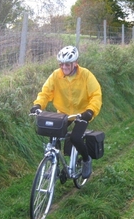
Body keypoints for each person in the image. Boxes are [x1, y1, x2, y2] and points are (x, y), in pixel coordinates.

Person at [30, 45, 102, 179]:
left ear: (75, 63)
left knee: (75, 138)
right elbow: (45, 93)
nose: (64, 67)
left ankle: (86, 160)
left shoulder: (86, 75)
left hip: (82, 113)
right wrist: (38, 104)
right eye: (61, 64)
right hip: (64, 113)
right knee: (53, 135)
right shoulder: (56, 75)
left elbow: (96, 95)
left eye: (67, 64)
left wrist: (90, 111)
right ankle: (54, 166)